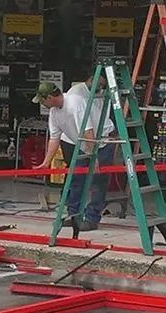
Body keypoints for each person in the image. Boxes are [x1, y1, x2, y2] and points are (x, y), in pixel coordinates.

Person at [36, 80, 116, 232]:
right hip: (84, 144)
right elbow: (54, 138)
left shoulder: (74, 103)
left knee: (98, 182)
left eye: (42, 100)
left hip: (101, 141)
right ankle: (74, 215)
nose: (42, 104)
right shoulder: (54, 112)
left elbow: (88, 132)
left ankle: (92, 218)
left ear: (49, 97)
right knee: (76, 179)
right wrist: (46, 162)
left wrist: (94, 158)